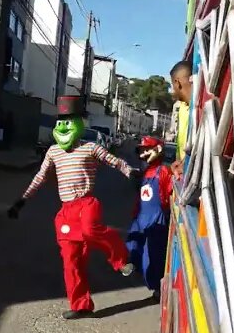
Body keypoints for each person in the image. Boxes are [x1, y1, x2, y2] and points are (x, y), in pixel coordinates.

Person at [8, 98, 139, 319]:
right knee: (71, 261)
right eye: (61, 122)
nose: (63, 127)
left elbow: (113, 161)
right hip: (66, 211)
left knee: (90, 230)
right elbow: (40, 177)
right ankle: (81, 305)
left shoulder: (91, 148)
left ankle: (120, 259)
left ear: (78, 124)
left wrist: (130, 172)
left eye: (68, 121)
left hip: (86, 204)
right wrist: (22, 200)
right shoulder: (53, 152)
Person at [126, 136, 174, 296]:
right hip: (141, 217)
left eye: (147, 149)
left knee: (154, 256)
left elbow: (170, 195)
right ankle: (134, 268)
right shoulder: (144, 172)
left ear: (158, 150)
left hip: (157, 219)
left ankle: (158, 289)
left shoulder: (164, 171)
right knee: (133, 246)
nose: (144, 154)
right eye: (142, 150)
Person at [170, 60, 193, 174]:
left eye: (172, 85)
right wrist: (181, 162)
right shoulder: (183, 108)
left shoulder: (201, 108)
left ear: (177, 82)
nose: (173, 90)